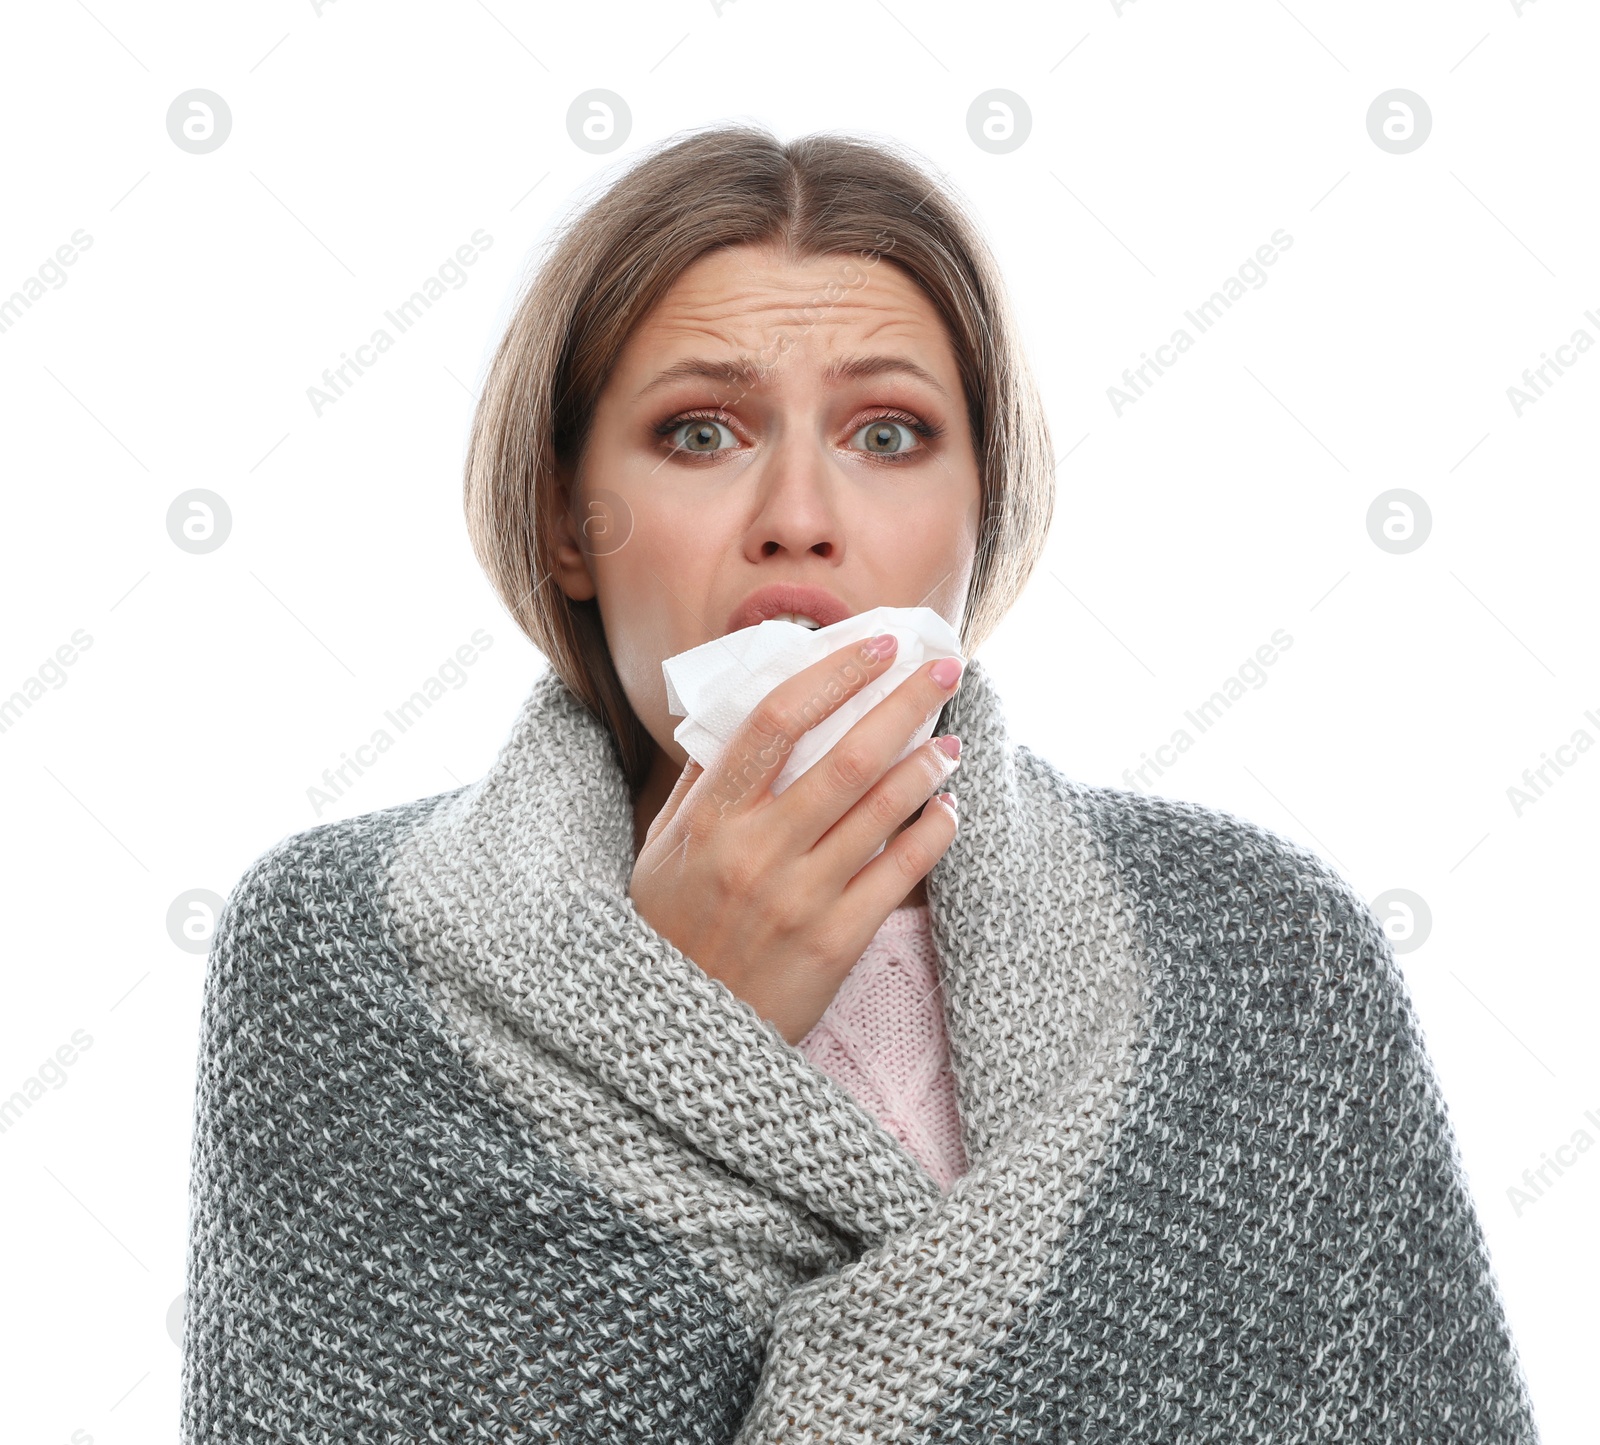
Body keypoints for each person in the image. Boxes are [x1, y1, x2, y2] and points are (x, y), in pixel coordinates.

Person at [181, 125, 1540, 1442]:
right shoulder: (340, 952)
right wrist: (680, 1023)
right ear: (565, 519)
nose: (800, 512)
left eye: (888, 434)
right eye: (699, 433)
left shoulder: (1261, 955)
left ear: (983, 505)